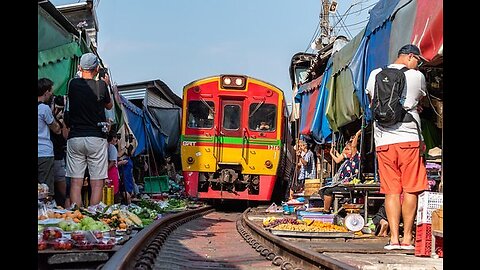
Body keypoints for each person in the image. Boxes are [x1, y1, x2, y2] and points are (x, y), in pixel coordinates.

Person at [365, 44, 428, 250]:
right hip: (409, 139)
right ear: (410, 57)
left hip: (383, 141)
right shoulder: (416, 76)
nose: (418, 64)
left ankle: (393, 239)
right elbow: (420, 100)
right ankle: (407, 238)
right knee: (411, 189)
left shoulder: (376, 74)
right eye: (417, 60)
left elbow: (371, 101)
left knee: (391, 191)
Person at [65, 53, 113, 207]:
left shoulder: (72, 84)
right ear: (97, 69)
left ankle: (77, 216)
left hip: (75, 138)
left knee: (76, 182)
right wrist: (106, 84)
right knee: (97, 183)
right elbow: (109, 105)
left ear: (80, 67)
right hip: (96, 138)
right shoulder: (101, 86)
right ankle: (93, 216)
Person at [319, 129, 361, 213]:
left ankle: (326, 210)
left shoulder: (356, 157)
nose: (345, 151)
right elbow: (339, 158)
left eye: (347, 149)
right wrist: (333, 152)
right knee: (325, 189)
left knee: (328, 190)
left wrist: (357, 134)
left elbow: (353, 146)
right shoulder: (348, 160)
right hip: (342, 183)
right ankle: (329, 207)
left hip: (348, 185)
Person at [38, 78, 62, 198]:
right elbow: (56, 129)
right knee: (45, 191)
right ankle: (46, 214)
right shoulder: (43, 108)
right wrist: (55, 117)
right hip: (44, 153)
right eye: (51, 91)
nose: (52, 94)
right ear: (46, 92)